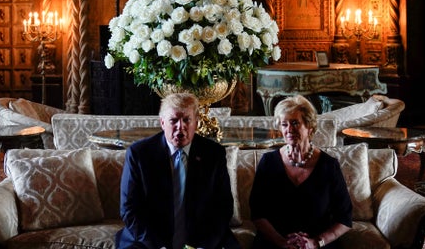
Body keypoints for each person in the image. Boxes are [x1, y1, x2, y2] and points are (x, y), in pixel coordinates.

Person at [115, 92, 240, 249]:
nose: (180, 127)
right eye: (173, 120)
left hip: (203, 238)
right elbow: (129, 210)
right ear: (162, 123)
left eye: (187, 120)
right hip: (149, 239)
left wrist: (204, 246)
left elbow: (223, 207)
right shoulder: (139, 154)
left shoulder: (213, 154)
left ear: (196, 123)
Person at [249, 95, 352, 249]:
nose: (289, 129)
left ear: (309, 126)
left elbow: (344, 218)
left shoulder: (329, 166)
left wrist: (316, 242)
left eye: (295, 123)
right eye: (284, 124)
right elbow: (257, 213)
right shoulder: (268, 163)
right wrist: (281, 242)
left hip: (318, 244)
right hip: (274, 243)